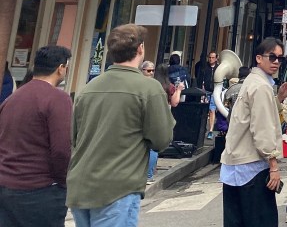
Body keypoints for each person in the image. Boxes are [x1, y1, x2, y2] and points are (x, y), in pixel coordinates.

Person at [66, 25, 174, 227]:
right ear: (141, 49)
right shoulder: (149, 88)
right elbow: (161, 139)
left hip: (80, 185)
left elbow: (74, 137)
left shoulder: (89, 88)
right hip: (118, 187)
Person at [221, 37, 287, 227]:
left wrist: (277, 100)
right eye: (272, 57)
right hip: (251, 166)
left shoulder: (253, 81)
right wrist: (274, 164)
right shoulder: (261, 86)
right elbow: (263, 128)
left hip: (236, 164)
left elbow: (254, 116)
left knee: (236, 221)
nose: (276, 62)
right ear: (259, 58)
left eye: (280, 58)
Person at [0, 45, 72, 227]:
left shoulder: (13, 98)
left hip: (7, 186)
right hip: (40, 190)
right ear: (61, 68)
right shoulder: (58, 99)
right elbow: (61, 150)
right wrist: (62, 182)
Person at [198, 51, 219, 140]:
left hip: (214, 91)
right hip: (205, 90)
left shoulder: (218, 68)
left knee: (212, 109)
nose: (211, 59)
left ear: (216, 58)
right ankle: (203, 129)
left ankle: (210, 130)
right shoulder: (205, 67)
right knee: (204, 110)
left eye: (213, 57)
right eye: (210, 57)